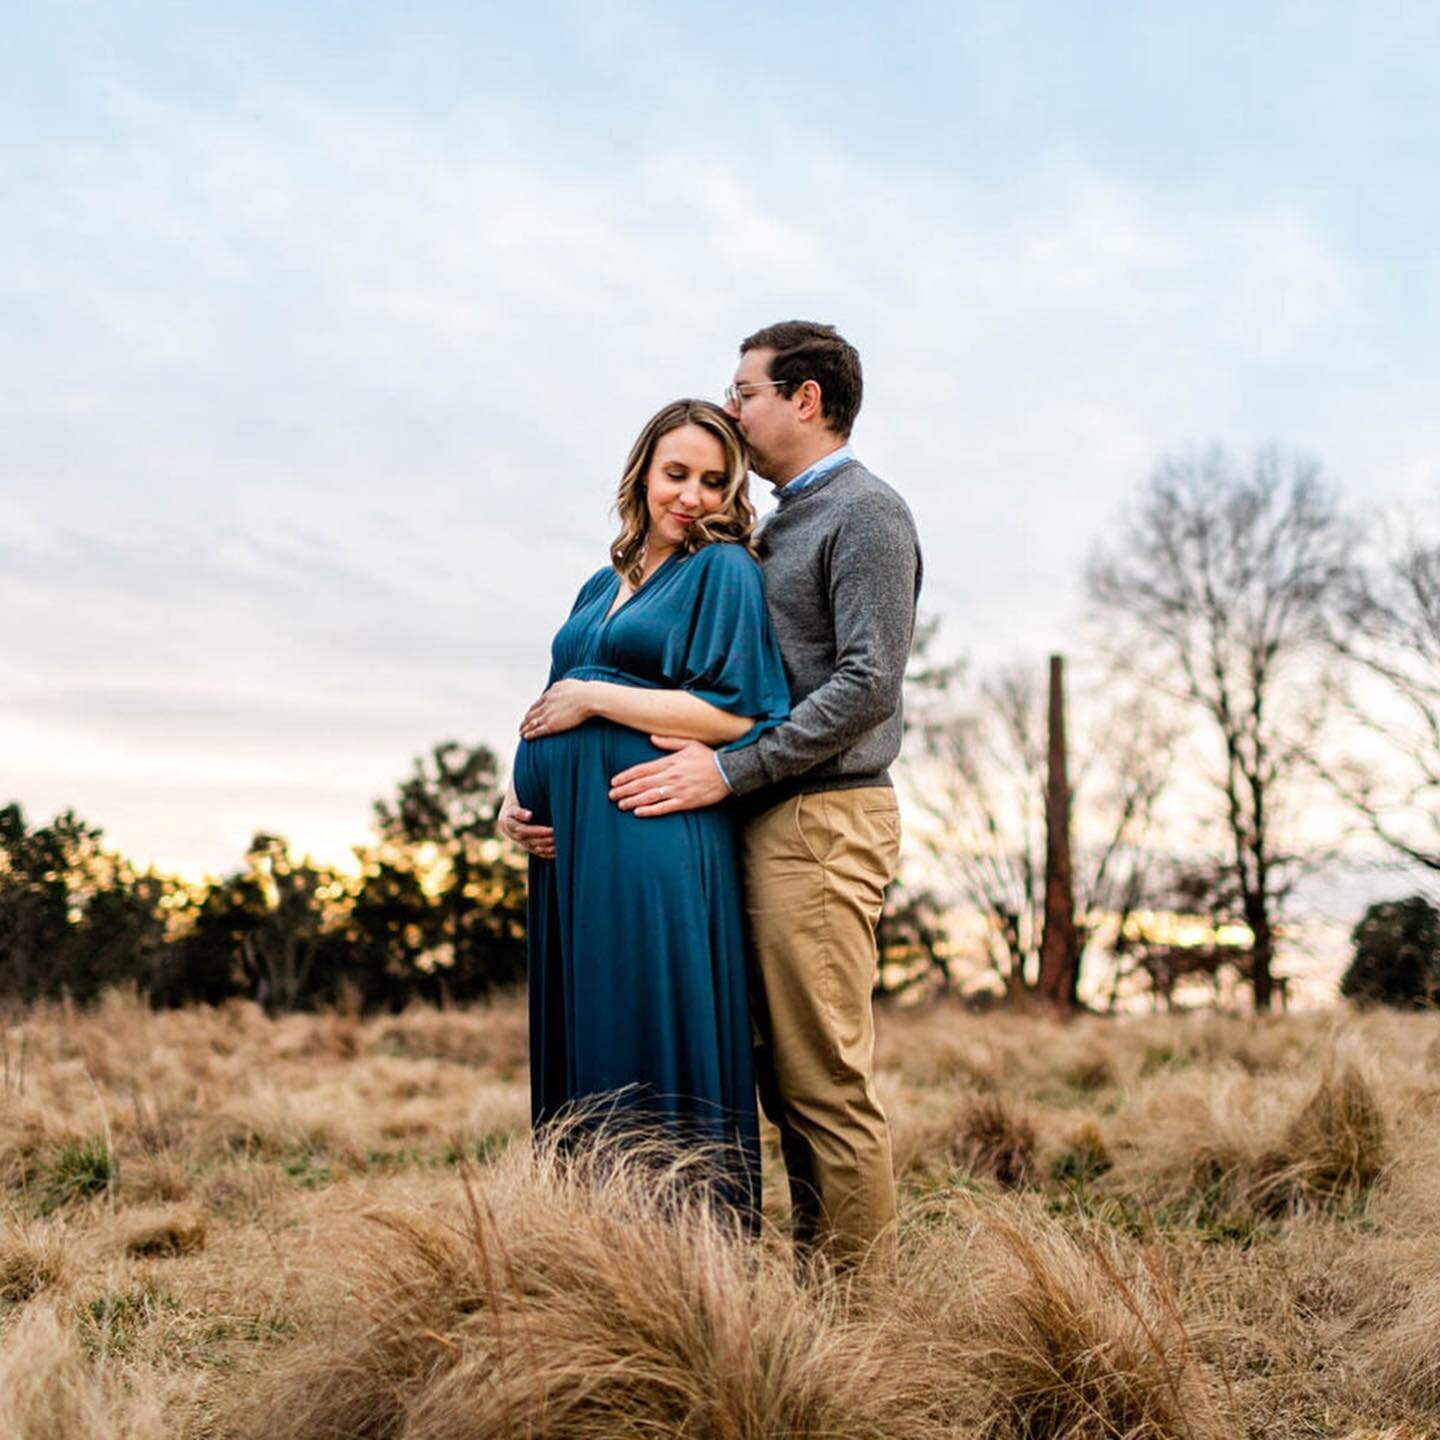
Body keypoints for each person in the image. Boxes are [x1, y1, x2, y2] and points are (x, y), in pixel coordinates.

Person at [608, 322, 922, 1272]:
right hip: (760, 822)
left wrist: (731, 769)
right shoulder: (775, 524)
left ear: (806, 400)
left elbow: (869, 683)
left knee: (822, 1085)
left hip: (824, 822)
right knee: (770, 1081)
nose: (733, 408)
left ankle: (855, 1327)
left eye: (744, 392)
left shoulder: (866, 512)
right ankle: (797, 1293)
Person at [498, 398, 790, 1228]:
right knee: (584, 1031)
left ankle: (682, 1248)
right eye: (676, 475)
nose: (691, 496)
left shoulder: (724, 571)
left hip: (651, 830)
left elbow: (743, 714)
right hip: (569, 852)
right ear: (642, 474)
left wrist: (597, 696)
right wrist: (513, 801)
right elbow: (551, 706)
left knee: (640, 1025)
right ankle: (589, 1253)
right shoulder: (601, 582)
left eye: (712, 481)